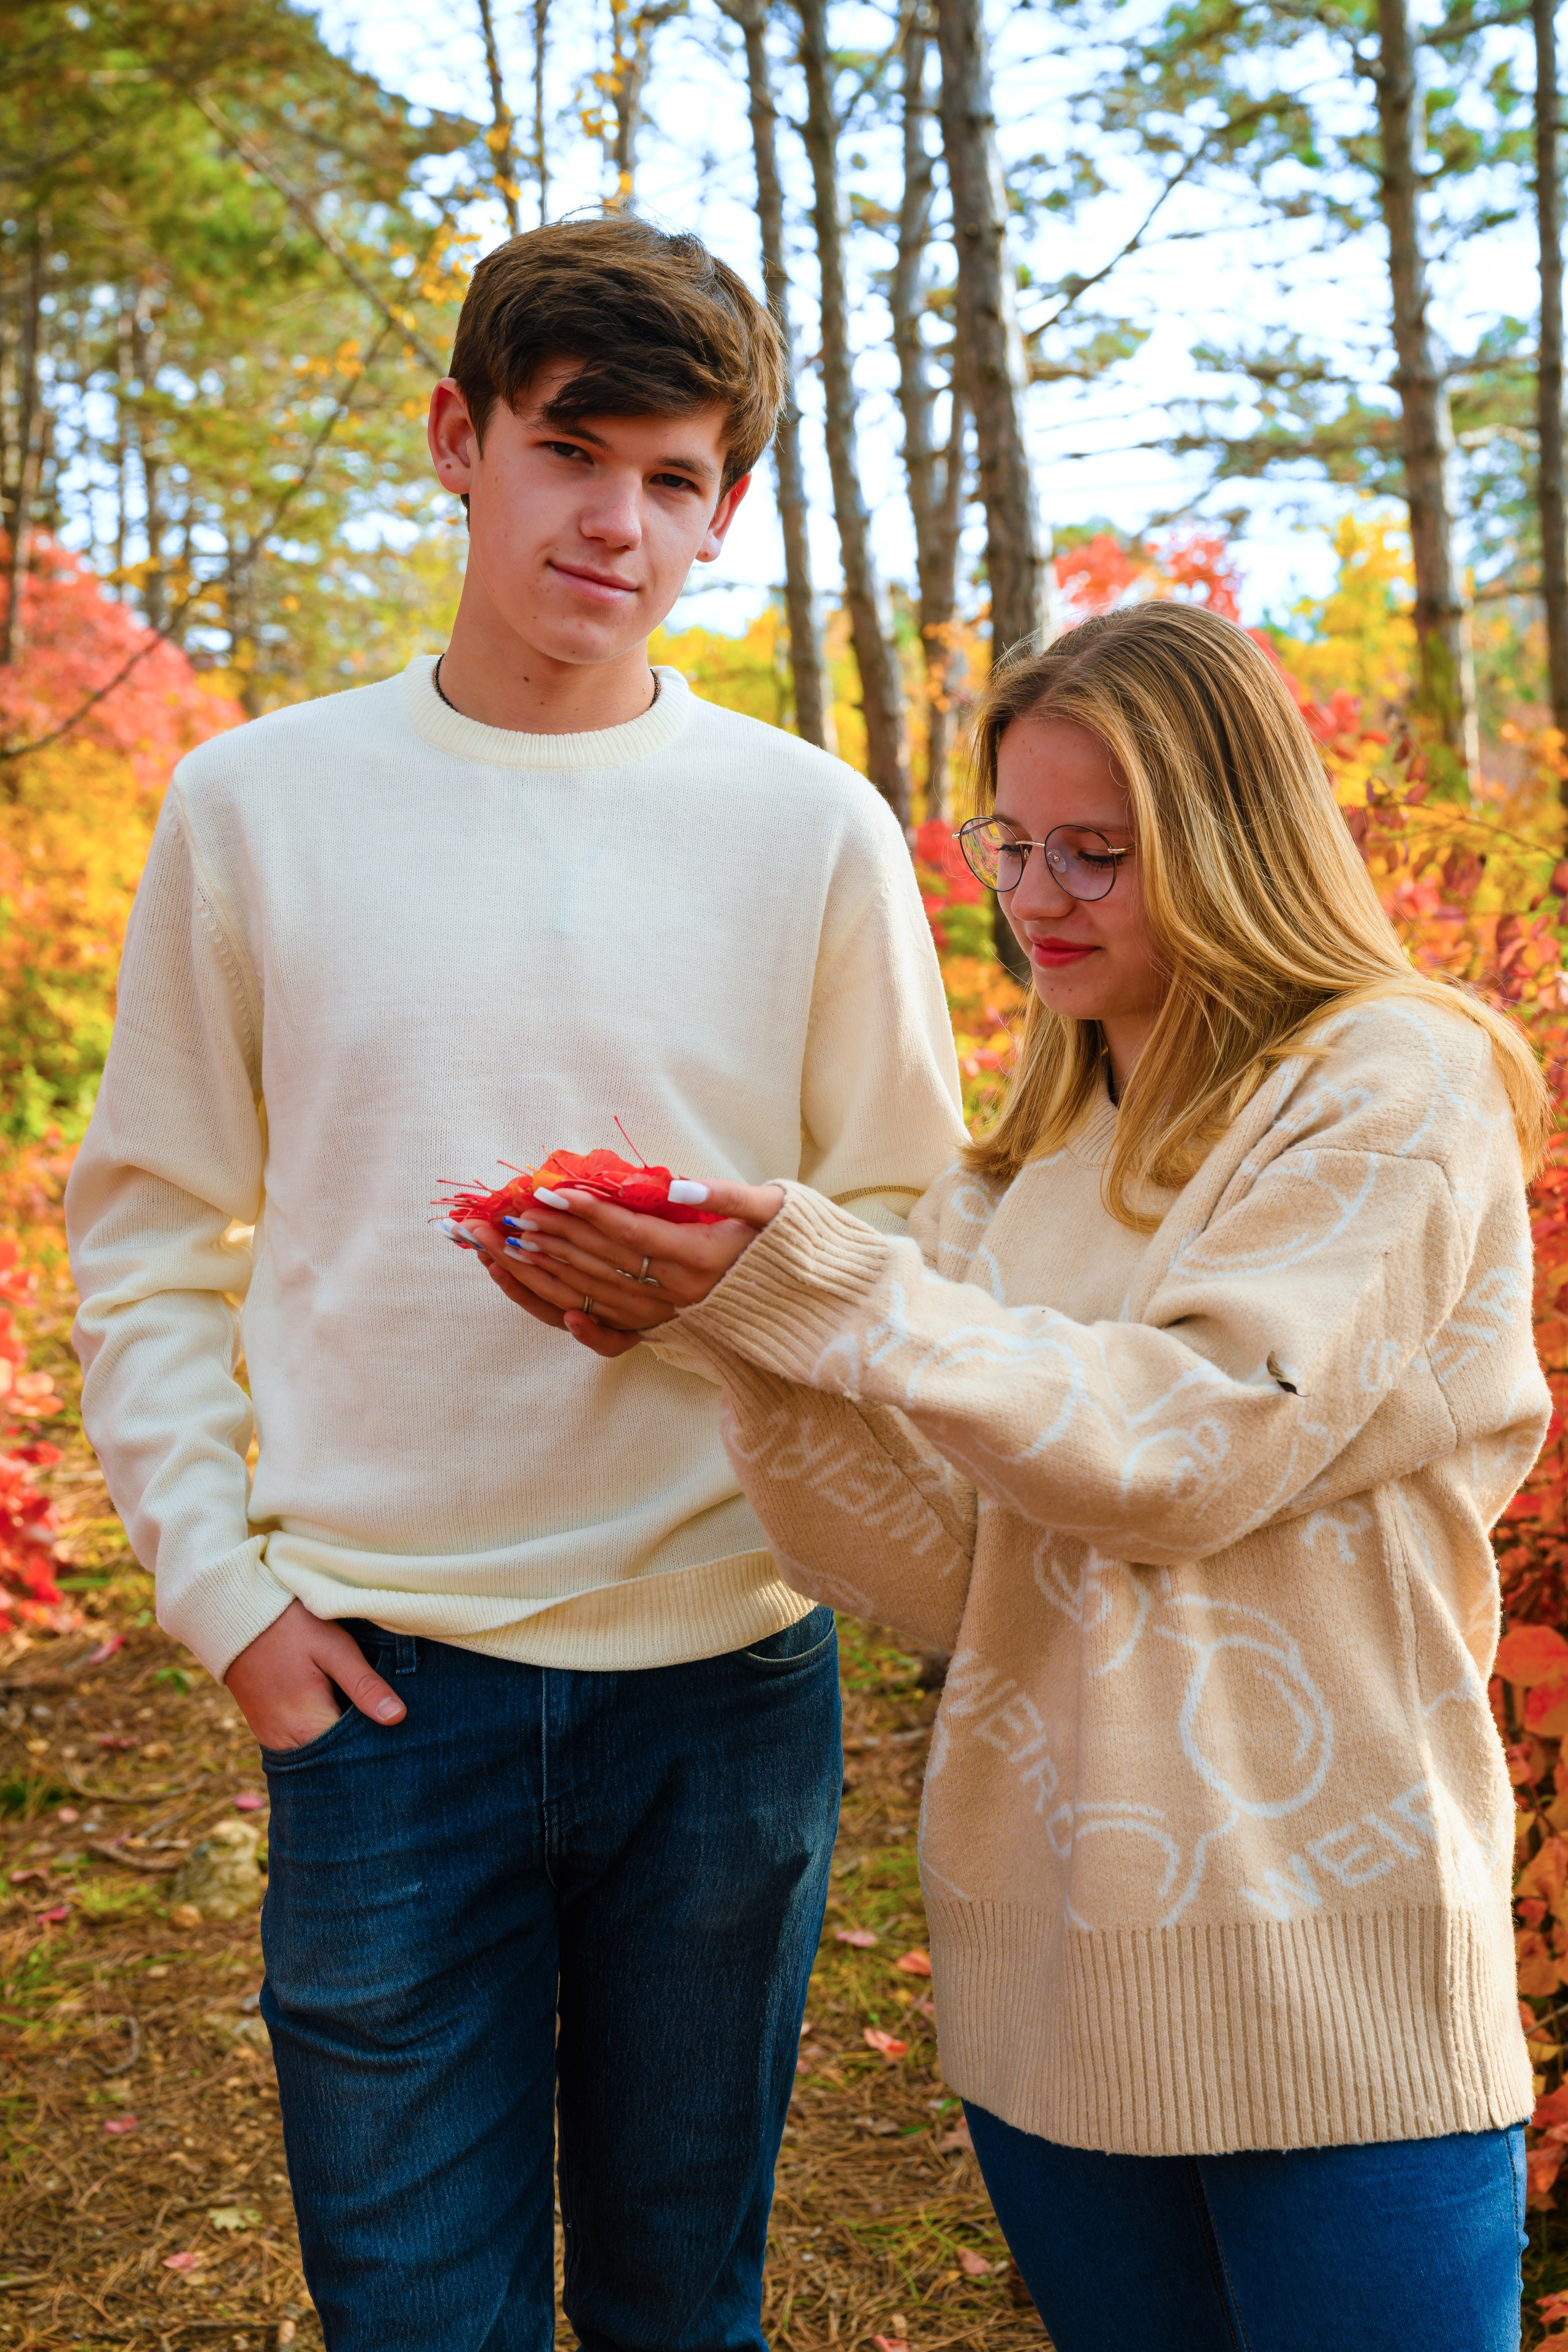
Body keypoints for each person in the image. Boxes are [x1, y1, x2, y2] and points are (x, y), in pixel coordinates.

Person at [66, 216, 966, 2352]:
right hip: (380, 1687)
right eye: (578, 453)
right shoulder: (256, 808)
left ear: (728, 505)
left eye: (677, 481)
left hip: (726, 1690)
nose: (622, 522)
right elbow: (152, 1229)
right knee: (417, 2317)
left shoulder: (810, 830)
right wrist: (226, 1600)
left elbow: (920, 1239)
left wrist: (720, 1296)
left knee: (683, 2304)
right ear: (460, 439)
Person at [469, 601, 1551, 2352]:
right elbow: (944, 1579)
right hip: (1052, 1987)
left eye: (1098, 854)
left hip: (1330, 1979)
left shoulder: (1389, 1084)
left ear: (1228, 845)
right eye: (1012, 844)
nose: (1034, 898)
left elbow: (1191, 1444)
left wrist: (840, 1292)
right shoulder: (1028, 1159)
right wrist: (735, 1331)